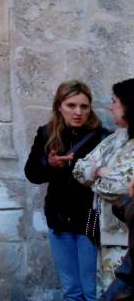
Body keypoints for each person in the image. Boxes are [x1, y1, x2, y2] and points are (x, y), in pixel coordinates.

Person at [26, 80, 109, 301]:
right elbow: (32, 173)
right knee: (71, 291)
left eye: (84, 106)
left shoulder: (102, 138)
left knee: (92, 292)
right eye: (71, 105)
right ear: (59, 106)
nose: (78, 112)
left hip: (89, 222)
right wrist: (49, 164)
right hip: (59, 219)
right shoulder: (46, 134)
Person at [76, 80, 134, 291]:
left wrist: (96, 173)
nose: (111, 107)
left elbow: (120, 186)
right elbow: (79, 169)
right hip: (105, 236)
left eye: (115, 101)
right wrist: (100, 172)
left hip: (127, 240)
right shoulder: (115, 139)